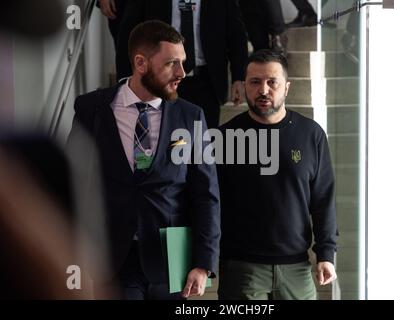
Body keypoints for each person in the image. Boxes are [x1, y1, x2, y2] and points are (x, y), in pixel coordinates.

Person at [66, 20, 221, 300]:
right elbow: (73, 181)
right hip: (112, 259)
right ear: (141, 63)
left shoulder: (191, 116)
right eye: (171, 63)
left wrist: (204, 262)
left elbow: (206, 194)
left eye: (183, 63)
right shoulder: (92, 109)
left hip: (171, 258)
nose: (182, 73)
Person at [217, 49, 338, 300]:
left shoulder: (311, 135)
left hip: (298, 269)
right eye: (255, 82)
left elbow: (323, 199)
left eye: (272, 82)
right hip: (242, 268)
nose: (263, 90)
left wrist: (326, 254)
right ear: (244, 85)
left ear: (287, 87)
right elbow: (209, 204)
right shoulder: (225, 137)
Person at [112, 0, 248, 128]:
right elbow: (128, 33)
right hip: (160, 79)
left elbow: (236, 34)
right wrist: (125, 80)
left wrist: (238, 77)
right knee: (160, 140)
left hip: (206, 82)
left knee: (203, 142)